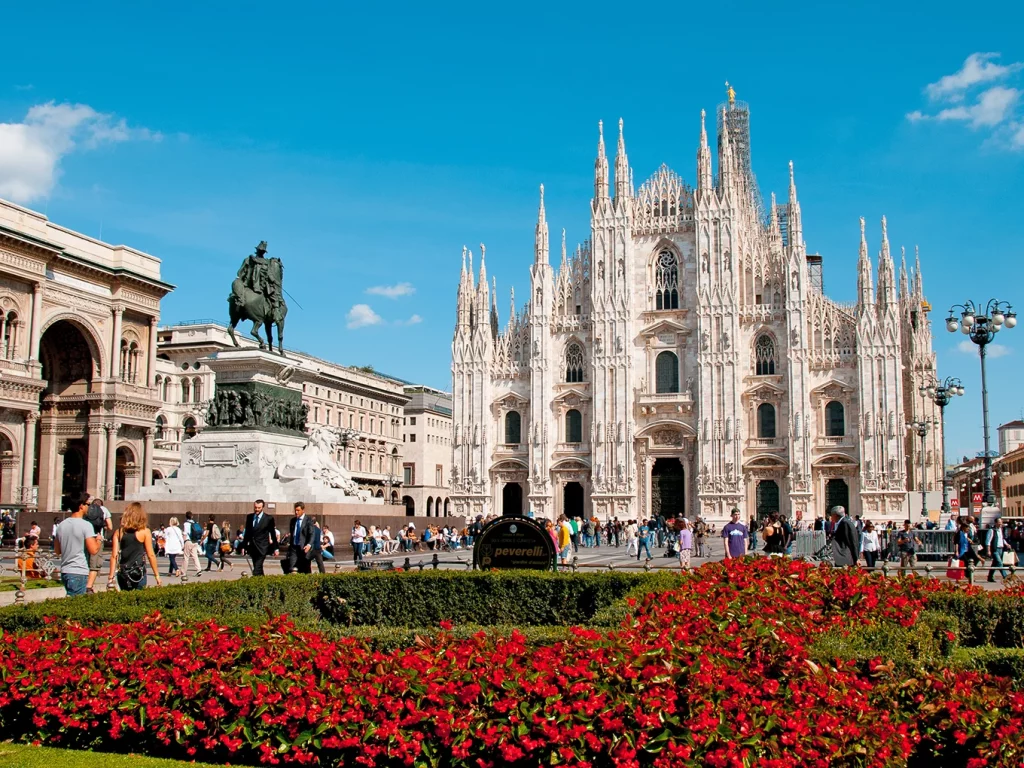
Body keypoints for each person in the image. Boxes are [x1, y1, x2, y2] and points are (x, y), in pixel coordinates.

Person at [107, 502, 162, 592]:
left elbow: (114, 556)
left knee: (125, 599)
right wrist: (157, 575)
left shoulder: (119, 532)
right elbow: (151, 555)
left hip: (123, 572)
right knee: (139, 599)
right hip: (138, 572)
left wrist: (111, 576)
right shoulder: (145, 531)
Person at [54, 493, 101, 597]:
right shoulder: (86, 525)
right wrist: (98, 540)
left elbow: (57, 551)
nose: (89, 507)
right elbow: (93, 550)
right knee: (76, 604)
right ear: (81, 506)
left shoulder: (62, 525)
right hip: (79, 570)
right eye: (88, 504)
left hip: (65, 570)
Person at [242, 499, 278, 576]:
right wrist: (244, 546)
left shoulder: (268, 518)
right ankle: (262, 582)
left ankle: (254, 582)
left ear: (262, 507)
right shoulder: (250, 517)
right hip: (252, 547)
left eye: (259, 508)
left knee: (257, 568)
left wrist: (276, 548)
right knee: (258, 567)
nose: (257, 509)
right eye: (255, 507)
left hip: (262, 547)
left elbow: (273, 534)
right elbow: (247, 533)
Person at [84, 496, 112, 593]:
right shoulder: (104, 510)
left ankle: (82, 583)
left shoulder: (86, 508)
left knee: (84, 561)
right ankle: (88, 587)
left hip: (85, 537)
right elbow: (110, 526)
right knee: (95, 564)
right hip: (97, 538)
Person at [286, 502, 316, 574]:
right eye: (295, 510)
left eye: (298, 510)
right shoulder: (293, 521)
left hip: (304, 548)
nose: (296, 512)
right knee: (292, 568)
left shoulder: (308, 520)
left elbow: (312, 534)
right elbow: (292, 533)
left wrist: (309, 545)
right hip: (294, 548)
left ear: (303, 510)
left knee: (305, 569)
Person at [985, 518, 1011, 583]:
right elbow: (988, 541)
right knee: (999, 563)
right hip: (995, 549)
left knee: (995, 564)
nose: (1000, 524)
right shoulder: (992, 530)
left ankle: (990, 577)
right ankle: (1005, 576)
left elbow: (1002, 539)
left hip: (1001, 548)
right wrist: (988, 550)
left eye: (1001, 523)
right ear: (995, 523)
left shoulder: (1001, 530)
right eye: (999, 523)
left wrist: (1007, 544)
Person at [182, 511, 204, 577]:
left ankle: (183, 572)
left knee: (186, 557)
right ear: (192, 516)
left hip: (188, 541)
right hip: (195, 541)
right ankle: (199, 570)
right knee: (195, 556)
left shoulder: (186, 524)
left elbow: (185, 533)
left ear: (186, 516)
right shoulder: (195, 523)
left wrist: (183, 541)